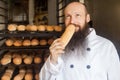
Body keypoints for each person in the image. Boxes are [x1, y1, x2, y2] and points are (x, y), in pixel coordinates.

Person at [40, 2, 120, 80]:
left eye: (77, 15)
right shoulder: (59, 47)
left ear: (87, 18)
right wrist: (53, 60)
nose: (72, 21)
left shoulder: (106, 46)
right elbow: (43, 78)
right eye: (68, 16)